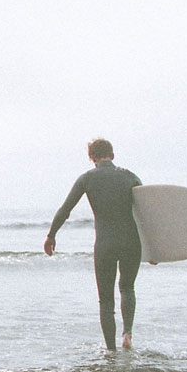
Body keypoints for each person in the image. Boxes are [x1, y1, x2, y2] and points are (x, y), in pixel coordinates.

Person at [44, 138, 142, 351]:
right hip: (131, 242)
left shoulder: (87, 179)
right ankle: (127, 333)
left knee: (106, 301)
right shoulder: (130, 176)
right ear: (113, 156)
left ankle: (111, 351)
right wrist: (155, 247)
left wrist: (51, 235)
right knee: (127, 287)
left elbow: (65, 209)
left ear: (92, 158)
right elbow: (146, 213)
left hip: (105, 244)